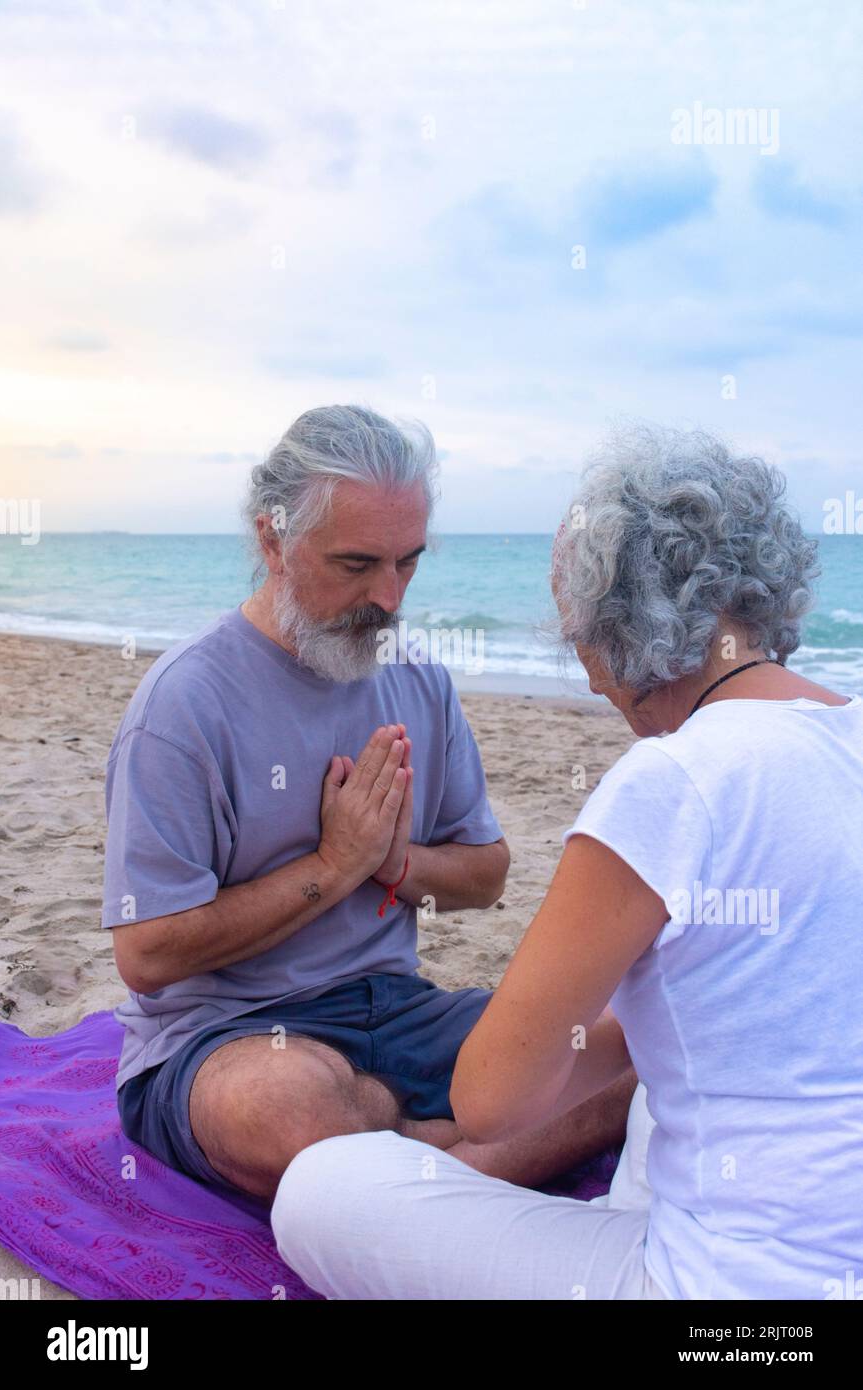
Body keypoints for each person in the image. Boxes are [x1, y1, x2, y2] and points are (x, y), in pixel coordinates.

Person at [271, 422, 863, 1300]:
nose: (586, 678)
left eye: (578, 633)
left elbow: (491, 1101)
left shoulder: (672, 780)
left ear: (626, 626)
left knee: (320, 1191)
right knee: (671, 1083)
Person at [105, 404, 637, 1203]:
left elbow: (486, 875)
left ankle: (404, 1174)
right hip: (229, 1036)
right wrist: (332, 867)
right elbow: (146, 954)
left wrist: (396, 865)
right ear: (272, 540)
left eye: (408, 563)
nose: (388, 598)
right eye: (356, 565)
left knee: (637, 1054)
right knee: (291, 1111)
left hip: (400, 1013)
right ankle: (444, 1158)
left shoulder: (418, 680)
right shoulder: (183, 706)